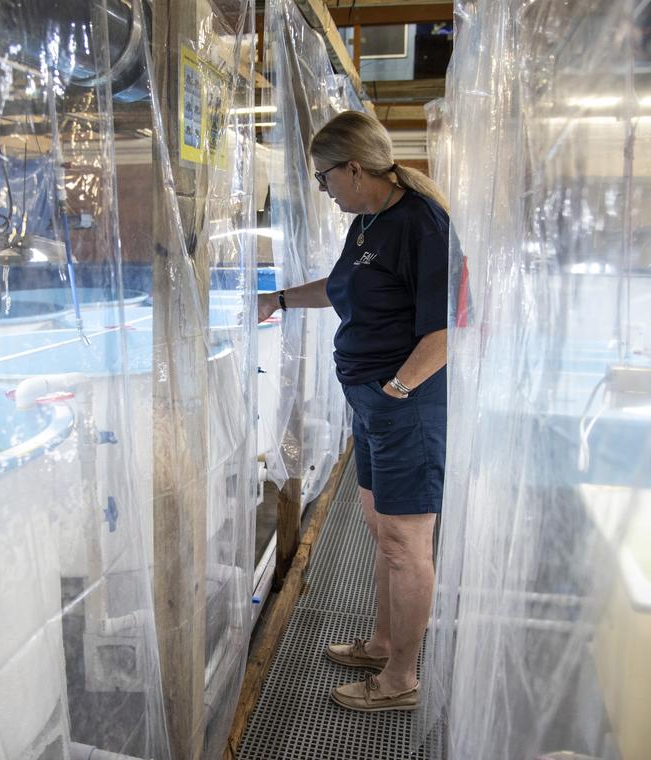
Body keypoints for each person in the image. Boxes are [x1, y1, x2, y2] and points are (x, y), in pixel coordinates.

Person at [258, 110, 449, 712]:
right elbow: (343, 290)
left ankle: (400, 680)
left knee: (405, 545)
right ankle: (384, 643)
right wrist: (280, 299)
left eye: (323, 178)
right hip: (370, 401)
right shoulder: (367, 221)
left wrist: (397, 389)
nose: (323, 189)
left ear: (355, 167)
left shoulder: (423, 224)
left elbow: (448, 330)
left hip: (405, 406)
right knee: (380, 531)